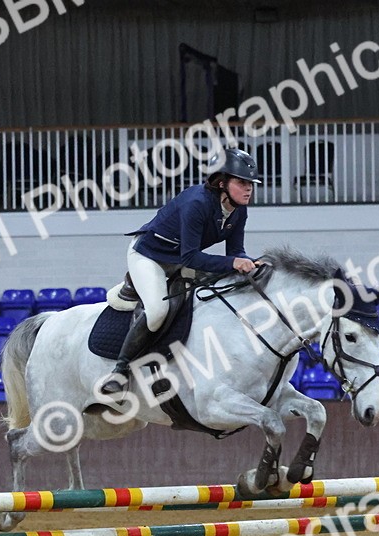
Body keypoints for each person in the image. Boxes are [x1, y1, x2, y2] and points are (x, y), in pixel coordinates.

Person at [97, 146, 263, 399]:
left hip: (181, 260)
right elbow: (192, 257)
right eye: (242, 182)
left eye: (250, 183)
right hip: (149, 256)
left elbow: (236, 251)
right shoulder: (197, 203)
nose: (249, 188)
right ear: (221, 182)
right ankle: (120, 372)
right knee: (157, 312)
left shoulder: (239, 210)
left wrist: (252, 262)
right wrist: (233, 264)